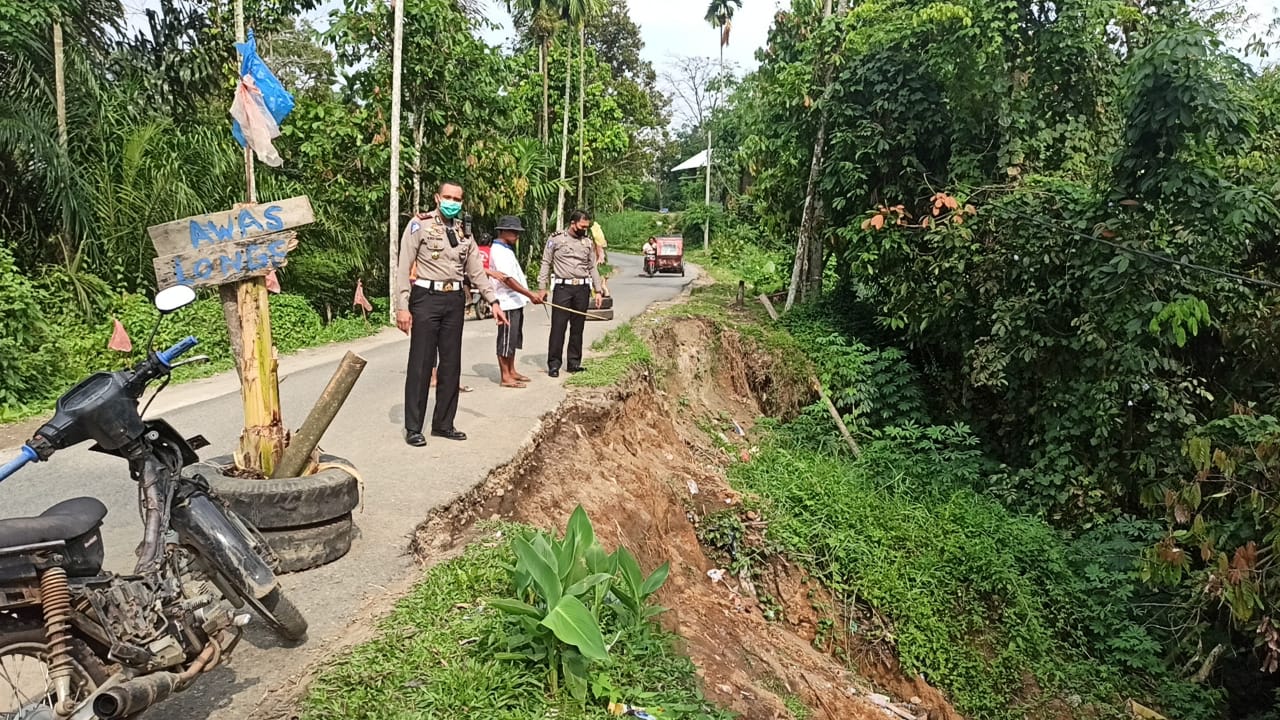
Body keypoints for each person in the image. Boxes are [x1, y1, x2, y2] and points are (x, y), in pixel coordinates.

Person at [396, 181, 507, 447]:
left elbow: (476, 271)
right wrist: (402, 305)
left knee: (451, 363)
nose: (452, 202)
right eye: (447, 196)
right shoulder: (419, 225)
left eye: (457, 198)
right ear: (437, 197)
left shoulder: (464, 232)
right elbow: (403, 266)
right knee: (422, 363)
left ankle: (444, 423)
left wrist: (492, 300)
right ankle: (414, 427)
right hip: (426, 297)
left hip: (455, 299)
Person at [537, 210, 604, 377]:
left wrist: (598, 291)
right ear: (573, 223)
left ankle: (574, 362)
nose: (584, 230)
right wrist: (542, 287)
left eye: (586, 227)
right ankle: (554, 364)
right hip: (562, 288)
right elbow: (546, 262)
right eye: (582, 226)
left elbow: (592, 267)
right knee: (558, 327)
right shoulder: (556, 239)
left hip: (582, 288)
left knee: (577, 328)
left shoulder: (587, 242)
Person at [485, 216, 543, 388]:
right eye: (513, 231)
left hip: (515, 301)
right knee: (505, 340)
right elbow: (507, 279)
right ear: (502, 231)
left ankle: (511, 370)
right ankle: (505, 376)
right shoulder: (498, 250)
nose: (517, 235)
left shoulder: (507, 249)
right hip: (506, 301)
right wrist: (529, 293)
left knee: (513, 338)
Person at [590, 220, 610, 297]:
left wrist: (599, 259)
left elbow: (600, 251)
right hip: (598, 262)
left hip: (598, 262)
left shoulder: (598, 243)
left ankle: (603, 291)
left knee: (601, 281)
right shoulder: (597, 242)